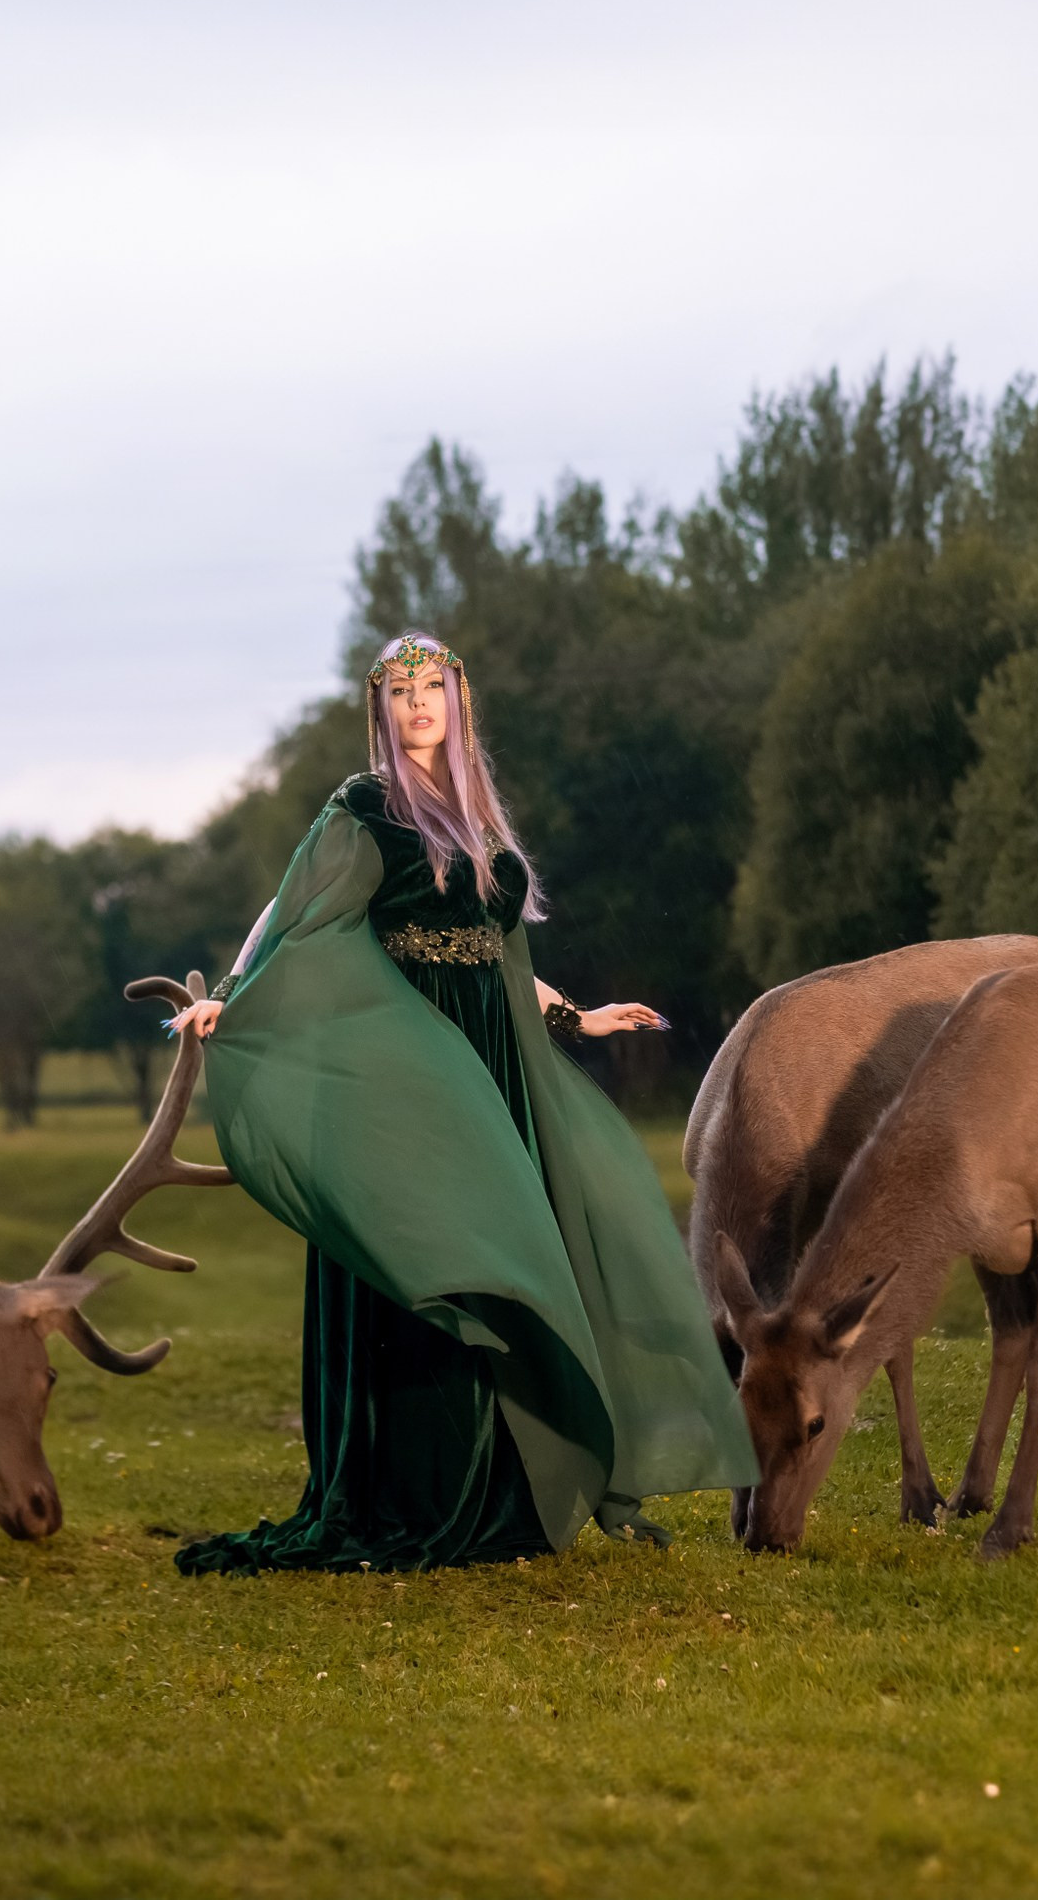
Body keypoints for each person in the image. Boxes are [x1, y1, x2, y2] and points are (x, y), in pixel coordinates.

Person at [169, 633, 756, 1575]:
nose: (415, 706)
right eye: (398, 694)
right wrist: (229, 998)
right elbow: (291, 917)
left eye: (430, 689)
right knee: (428, 1260)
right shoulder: (365, 810)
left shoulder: (480, 827)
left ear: (457, 701)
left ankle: (504, 1488)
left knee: (510, 1256)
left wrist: (581, 1017)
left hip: (493, 1070)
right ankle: (413, 1487)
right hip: (409, 1079)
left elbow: (500, 957)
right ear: (381, 710)